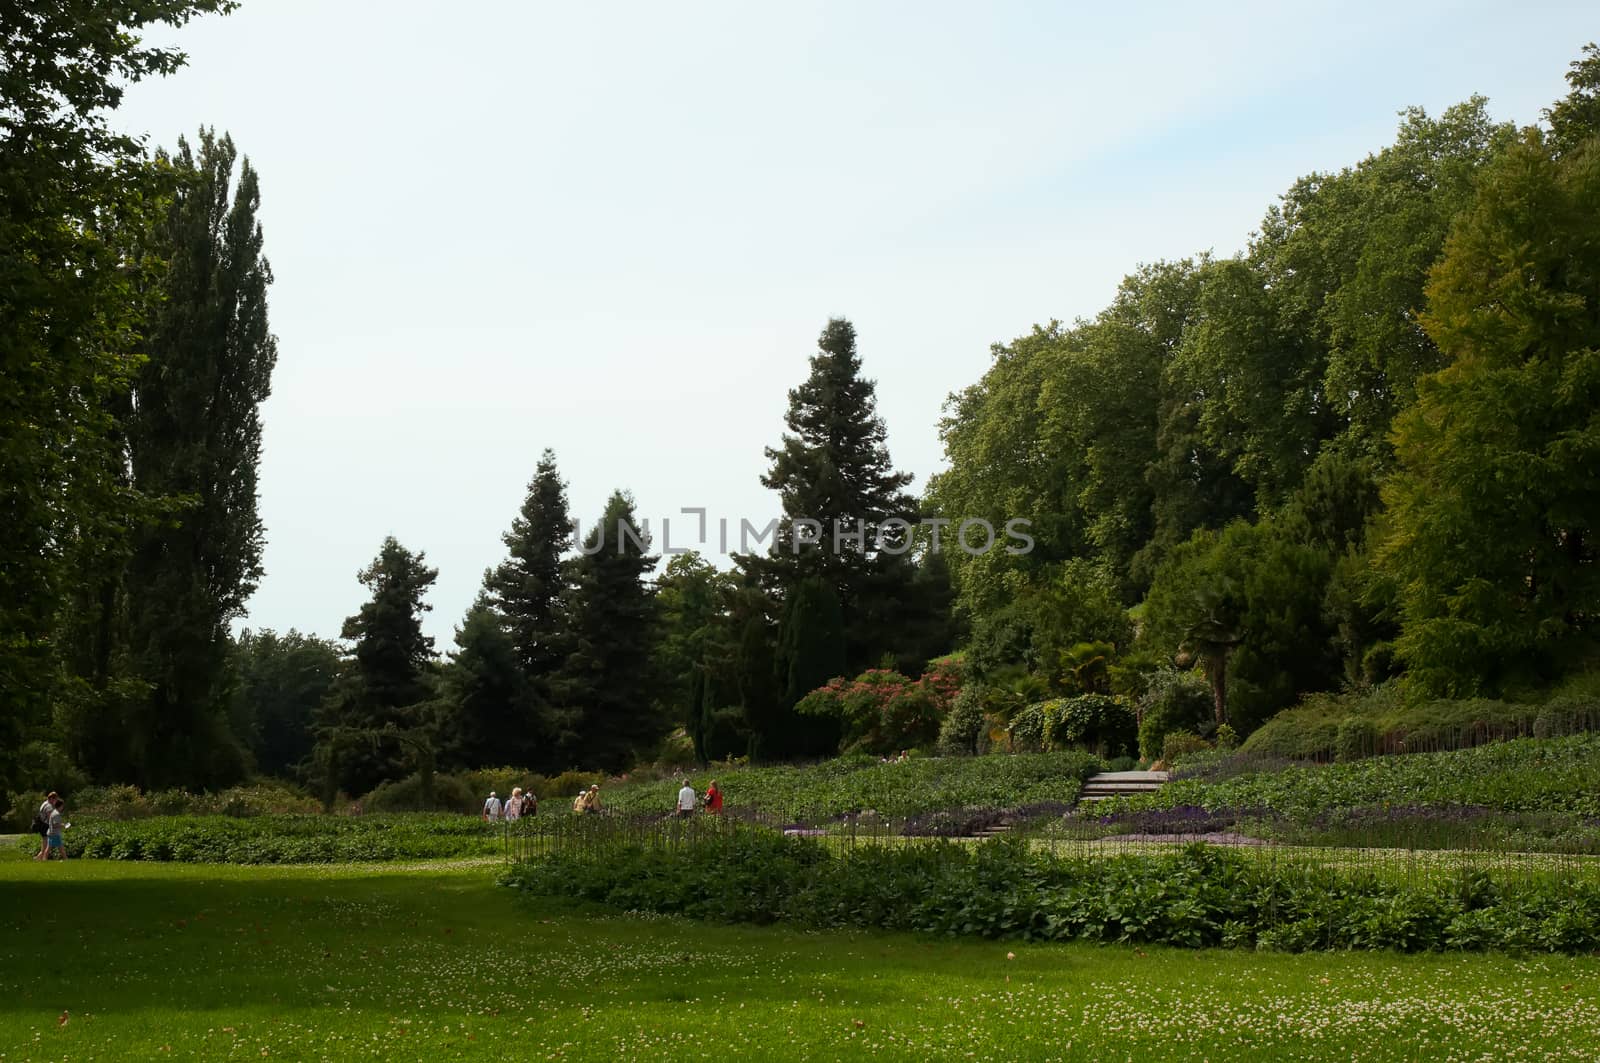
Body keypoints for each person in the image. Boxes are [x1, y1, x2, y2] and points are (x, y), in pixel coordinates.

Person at [33, 792, 57, 861]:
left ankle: (40, 857)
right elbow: (50, 818)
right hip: (44, 826)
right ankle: (39, 858)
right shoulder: (49, 806)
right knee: (46, 844)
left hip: (41, 825)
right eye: (55, 799)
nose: (55, 801)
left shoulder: (45, 803)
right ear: (52, 798)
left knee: (45, 843)